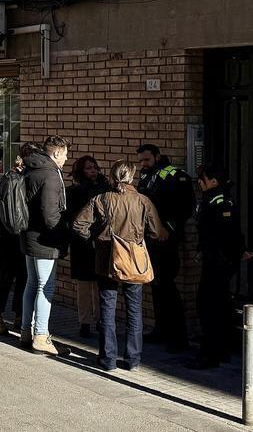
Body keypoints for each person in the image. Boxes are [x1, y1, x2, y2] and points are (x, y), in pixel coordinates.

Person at [72, 161, 166, 372]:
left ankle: (108, 359)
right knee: (134, 310)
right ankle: (133, 359)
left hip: (106, 259)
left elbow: (78, 224)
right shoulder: (142, 201)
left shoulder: (101, 199)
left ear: (112, 177)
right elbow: (156, 232)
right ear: (131, 177)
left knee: (107, 309)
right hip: (134, 260)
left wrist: (95, 240)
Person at [136, 143, 194, 353]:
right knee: (157, 286)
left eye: (147, 159)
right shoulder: (146, 175)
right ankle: (160, 329)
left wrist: (168, 228)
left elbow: (186, 207)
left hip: (167, 240)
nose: (143, 164)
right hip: (150, 240)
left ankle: (179, 339)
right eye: (141, 160)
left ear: (158, 156)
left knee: (168, 287)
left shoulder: (176, 176)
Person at [190, 163, 244, 370]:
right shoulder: (211, 199)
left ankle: (211, 354)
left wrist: (226, 255)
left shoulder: (221, 202)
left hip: (218, 263)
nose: (199, 182)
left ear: (214, 181)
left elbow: (225, 235)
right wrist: (201, 250)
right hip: (214, 260)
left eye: (203, 179)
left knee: (210, 307)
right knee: (214, 306)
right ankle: (219, 351)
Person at [20, 136, 71, 356]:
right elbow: (51, 216)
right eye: (65, 154)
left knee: (32, 284)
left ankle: (26, 331)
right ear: (56, 152)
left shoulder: (32, 168)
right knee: (45, 286)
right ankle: (41, 336)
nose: (66, 159)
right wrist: (65, 231)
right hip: (45, 240)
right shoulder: (50, 175)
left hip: (29, 236)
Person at [0, 142, 42, 335]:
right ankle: (0, 315)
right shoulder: (13, 177)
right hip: (10, 233)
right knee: (9, 276)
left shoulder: (25, 176)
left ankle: (16, 315)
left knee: (21, 276)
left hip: (18, 233)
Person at [67, 155, 110, 338]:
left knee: (100, 284)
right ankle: (84, 322)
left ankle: (101, 320)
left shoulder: (105, 188)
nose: (93, 171)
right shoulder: (74, 191)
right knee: (84, 286)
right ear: (81, 171)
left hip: (100, 242)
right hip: (82, 243)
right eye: (88, 168)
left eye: (94, 167)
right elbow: (71, 219)